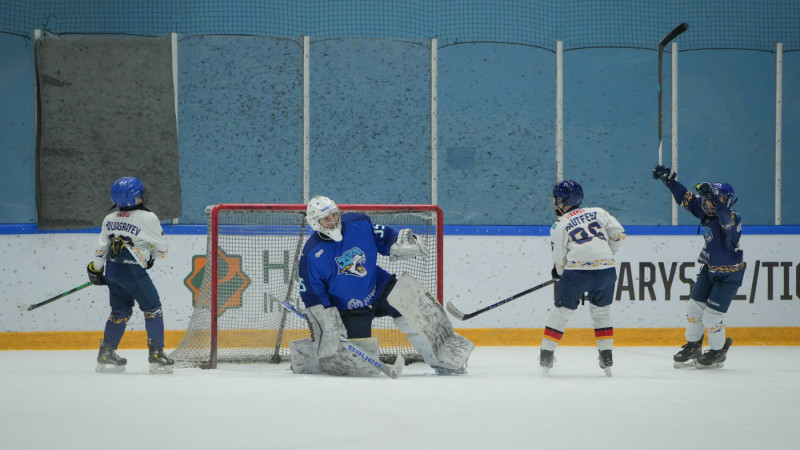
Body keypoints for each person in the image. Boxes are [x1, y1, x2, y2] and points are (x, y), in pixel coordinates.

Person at [291, 195, 474, 376]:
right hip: (348, 310)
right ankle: (307, 358)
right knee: (353, 364)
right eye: (325, 218)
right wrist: (327, 323)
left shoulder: (358, 223)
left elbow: (385, 238)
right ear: (315, 222)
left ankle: (443, 361)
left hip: (380, 287)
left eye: (334, 215)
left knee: (418, 315)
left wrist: (399, 243)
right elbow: (313, 295)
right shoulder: (311, 255)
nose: (332, 221)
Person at [653, 165, 743, 369]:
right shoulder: (705, 212)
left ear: (726, 201)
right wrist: (668, 180)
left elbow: (726, 223)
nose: (709, 203)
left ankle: (719, 351)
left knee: (712, 317)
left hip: (729, 276)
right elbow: (685, 197)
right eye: (709, 198)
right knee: (693, 310)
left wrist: (716, 202)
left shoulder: (733, 217)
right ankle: (694, 346)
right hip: (709, 270)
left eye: (715, 199)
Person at [87, 176, 172, 374]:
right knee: (153, 308)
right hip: (133, 271)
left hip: (113, 270)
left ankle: (107, 353)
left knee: (120, 312)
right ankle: (157, 355)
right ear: (136, 197)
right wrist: (151, 256)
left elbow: (101, 249)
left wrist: (96, 270)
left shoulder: (109, 219)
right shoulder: (147, 217)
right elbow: (163, 251)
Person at [540, 180, 626, 375]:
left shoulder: (559, 224)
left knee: (561, 312)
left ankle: (546, 355)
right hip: (606, 271)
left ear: (564, 200)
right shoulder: (599, 212)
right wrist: (605, 256)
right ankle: (607, 356)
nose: (556, 203)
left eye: (558, 199)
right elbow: (620, 235)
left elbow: (559, 257)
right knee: (602, 312)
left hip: (576, 274)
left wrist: (560, 273)